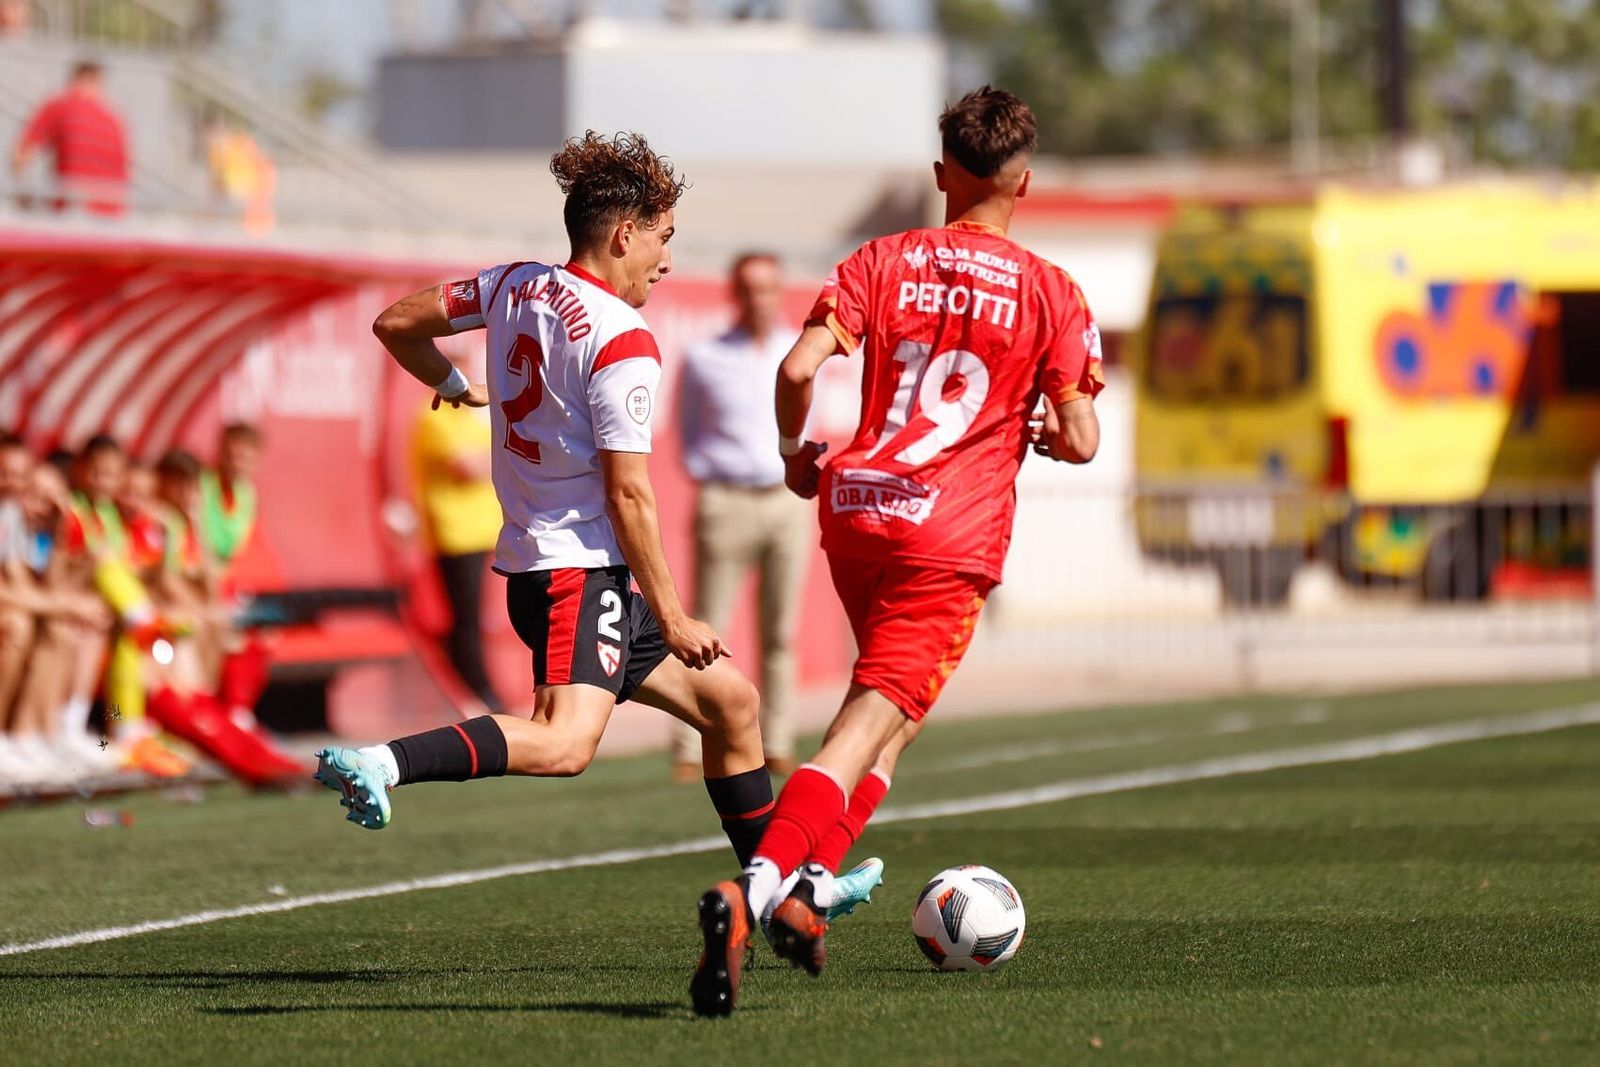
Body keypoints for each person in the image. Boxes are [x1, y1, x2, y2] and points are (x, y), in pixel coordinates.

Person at [313, 131, 880, 912]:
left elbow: (396, 321)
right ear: (624, 234)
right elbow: (629, 496)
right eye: (664, 237)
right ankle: (382, 761)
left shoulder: (513, 284)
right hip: (574, 573)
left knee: (733, 704)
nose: (668, 259)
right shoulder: (621, 337)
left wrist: (451, 380)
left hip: (568, 569)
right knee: (564, 744)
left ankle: (782, 896)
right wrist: (675, 615)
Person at [690, 86, 1105, 1016]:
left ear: (939, 173)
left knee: (886, 721)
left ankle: (807, 896)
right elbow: (1081, 436)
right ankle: (751, 895)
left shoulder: (883, 259)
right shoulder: (1051, 292)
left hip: (859, 511)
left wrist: (797, 452)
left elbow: (797, 370)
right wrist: (1047, 430)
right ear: (1025, 182)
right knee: (858, 730)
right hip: (949, 539)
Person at [668, 252, 810, 781]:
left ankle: (777, 741)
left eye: (769, 288)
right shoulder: (706, 356)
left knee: (781, 632)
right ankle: (689, 746)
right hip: (726, 499)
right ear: (736, 294)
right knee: (706, 628)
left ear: (779, 292)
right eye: (750, 289)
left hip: (784, 499)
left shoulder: (793, 351)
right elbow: (686, 429)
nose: (760, 299)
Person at [410, 349, 505, 714]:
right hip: (454, 532)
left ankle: (478, 689)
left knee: (474, 617)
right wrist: (499, 454)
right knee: (464, 618)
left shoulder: (467, 417)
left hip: (478, 530)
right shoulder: (434, 415)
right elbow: (468, 466)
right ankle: (474, 691)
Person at [10, 61, 129, 215]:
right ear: (99, 82)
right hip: (111, 217)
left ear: (73, 78)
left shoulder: (61, 106)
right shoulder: (114, 119)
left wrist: (23, 194)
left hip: (71, 212)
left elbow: (21, 154)